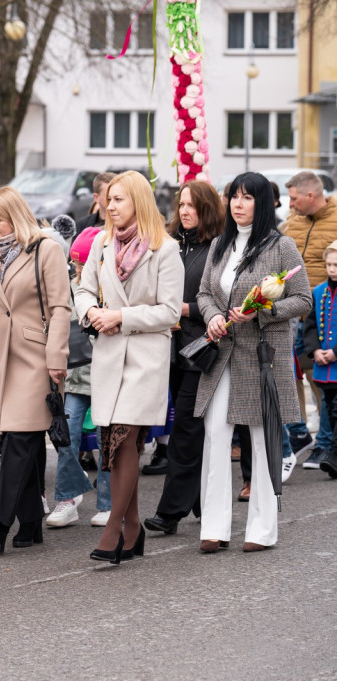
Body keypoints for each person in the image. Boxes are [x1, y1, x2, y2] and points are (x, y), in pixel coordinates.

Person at [194, 172, 311, 553]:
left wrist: (265, 309)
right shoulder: (219, 245)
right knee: (214, 435)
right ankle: (214, 528)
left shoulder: (282, 246)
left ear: (263, 203)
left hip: (263, 356)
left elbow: (303, 300)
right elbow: (204, 292)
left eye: (247, 198)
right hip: (224, 351)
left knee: (262, 440)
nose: (238, 204)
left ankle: (262, 529)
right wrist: (212, 314)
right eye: (233, 197)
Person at [74, 170, 183, 565]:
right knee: (119, 448)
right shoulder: (102, 243)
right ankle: (133, 528)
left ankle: (113, 529)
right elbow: (83, 289)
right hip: (108, 355)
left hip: (143, 358)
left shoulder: (165, 249)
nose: (109, 205)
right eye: (108, 199)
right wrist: (91, 311)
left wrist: (120, 316)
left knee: (123, 443)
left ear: (138, 200)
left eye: (118, 199)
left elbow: (170, 311)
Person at [0, 187, 70, 555]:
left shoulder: (46, 249)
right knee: (28, 438)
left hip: (37, 356)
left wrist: (57, 357)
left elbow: (60, 308)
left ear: (16, 216)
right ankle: (32, 521)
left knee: (19, 440)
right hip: (2, 357)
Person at [143, 181, 225, 536]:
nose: (185, 211)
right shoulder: (172, 246)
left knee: (186, 433)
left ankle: (170, 511)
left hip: (201, 350)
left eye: (193, 205)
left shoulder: (219, 250)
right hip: (168, 349)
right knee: (187, 429)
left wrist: (186, 309)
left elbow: (224, 302)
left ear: (207, 209)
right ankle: (198, 500)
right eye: (182, 204)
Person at [46, 226, 108, 529]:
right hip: (73, 379)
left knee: (106, 439)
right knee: (65, 435)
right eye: (76, 264)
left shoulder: (112, 287)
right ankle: (68, 497)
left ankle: (108, 503)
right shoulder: (68, 288)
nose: (79, 270)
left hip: (106, 377)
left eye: (85, 263)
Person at [284, 171, 337, 469]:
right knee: (291, 376)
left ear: (310, 196)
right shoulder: (292, 222)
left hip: (325, 314)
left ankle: (326, 445)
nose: (290, 205)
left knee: (324, 383)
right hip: (293, 313)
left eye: (293, 198)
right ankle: (300, 433)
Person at [303, 239, 337, 477]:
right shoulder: (319, 291)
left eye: (336, 265)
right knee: (331, 409)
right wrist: (315, 350)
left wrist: (336, 352)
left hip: (335, 360)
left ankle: (333, 456)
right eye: (329, 265)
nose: (332, 269)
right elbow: (311, 326)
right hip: (324, 366)